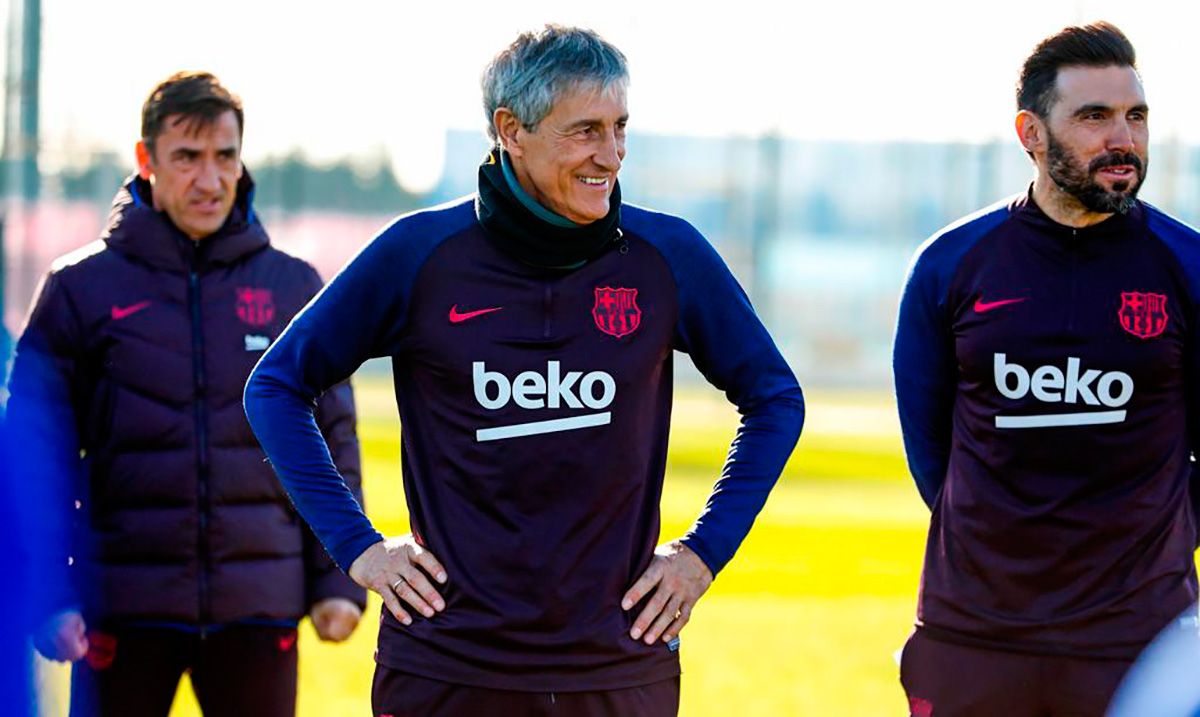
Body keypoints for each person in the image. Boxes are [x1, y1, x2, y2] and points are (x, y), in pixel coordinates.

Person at [245, 25, 803, 716]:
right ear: (511, 130)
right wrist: (356, 546)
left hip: (618, 663)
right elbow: (275, 386)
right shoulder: (421, 256)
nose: (612, 153)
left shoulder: (667, 256)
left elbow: (776, 397)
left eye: (621, 126)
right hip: (448, 662)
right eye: (586, 130)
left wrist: (702, 551)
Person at [7, 71, 366, 717]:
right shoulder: (79, 290)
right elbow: (35, 454)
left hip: (258, 607)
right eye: (187, 157)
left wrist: (336, 576)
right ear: (146, 161)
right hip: (119, 606)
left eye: (224, 156)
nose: (209, 179)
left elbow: (332, 437)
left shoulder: (292, 287)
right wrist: (49, 593)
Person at [893, 22, 1200, 717]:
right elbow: (931, 458)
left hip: (1140, 639)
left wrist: (1158, 542)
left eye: (1136, 117)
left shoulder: (1188, 268)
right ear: (1030, 133)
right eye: (1094, 117)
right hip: (974, 631)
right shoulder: (950, 266)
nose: (1122, 138)